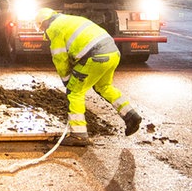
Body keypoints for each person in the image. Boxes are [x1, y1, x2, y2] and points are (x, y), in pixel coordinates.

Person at [36, 8, 144, 146]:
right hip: (112, 52)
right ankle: (130, 115)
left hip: (95, 57)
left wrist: (67, 80)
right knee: (103, 87)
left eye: (41, 27)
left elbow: (60, 59)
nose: (43, 31)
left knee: (75, 92)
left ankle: (78, 135)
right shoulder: (70, 19)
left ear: (43, 23)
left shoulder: (54, 29)